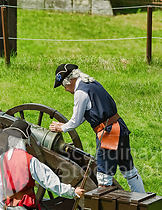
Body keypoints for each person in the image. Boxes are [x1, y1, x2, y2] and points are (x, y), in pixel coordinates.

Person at [49, 63, 145, 193]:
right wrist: (64, 126)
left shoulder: (80, 92)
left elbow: (76, 120)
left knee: (104, 176)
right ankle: (142, 199)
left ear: (70, 81)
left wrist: (62, 128)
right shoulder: (92, 83)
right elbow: (86, 113)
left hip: (109, 133)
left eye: (64, 85)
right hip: (119, 128)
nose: (65, 89)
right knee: (129, 170)